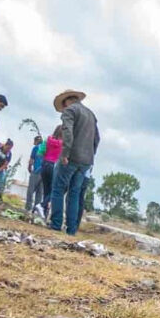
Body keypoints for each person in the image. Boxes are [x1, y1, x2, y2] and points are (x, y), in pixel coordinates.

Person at [48, 89, 99, 235]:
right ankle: (71, 229)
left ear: (66, 102)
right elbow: (97, 139)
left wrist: (65, 153)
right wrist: (91, 156)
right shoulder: (91, 114)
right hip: (86, 161)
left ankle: (56, 224)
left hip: (71, 157)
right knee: (74, 194)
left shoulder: (70, 111)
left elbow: (67, 132)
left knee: (58, 189)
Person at [38, 126, 63, 218]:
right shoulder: (63, 144)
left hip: (45, 165)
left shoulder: (47, 139)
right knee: (54, 189)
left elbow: (40, 152)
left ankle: (43, 212)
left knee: (46, 190)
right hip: (54, 166)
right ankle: (42, 205)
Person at [26, 135, 46, 214]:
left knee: (30, 191)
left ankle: (28, 208)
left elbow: (31, 160)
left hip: (36, 172)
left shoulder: (35, 148)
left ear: (36, 141)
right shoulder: (45, 149)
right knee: (39, 193)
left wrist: (29, 167)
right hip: (44, 173)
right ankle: (36, 210)